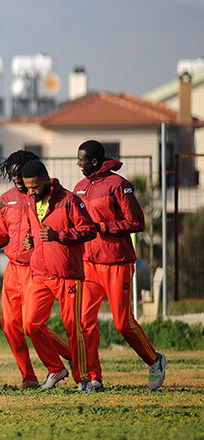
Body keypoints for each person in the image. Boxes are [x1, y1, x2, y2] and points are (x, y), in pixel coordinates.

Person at [0, 150, 73, 389]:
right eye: (12, 173)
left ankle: (66, 359)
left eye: (19, 172)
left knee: (32, 324)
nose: (16, 177)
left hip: (36, 268)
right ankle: (29, 377)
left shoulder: (42, 197)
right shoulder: (6, 199)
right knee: (9, 325)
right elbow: (2, 234)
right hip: (12, 270)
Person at [74, 140, 166, 391]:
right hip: (89, 263)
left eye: (81, 160)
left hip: (117, 261)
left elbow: (137, 222)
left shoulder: (118, 185)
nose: (78, 164)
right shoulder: (79, 188)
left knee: (122, 323)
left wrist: (104, 227)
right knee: (84, 321)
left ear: (94, 161)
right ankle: (94, 378)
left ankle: (154, 360)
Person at [20, 159, 98, 391]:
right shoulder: (29, 201)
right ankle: (55, 368)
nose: (31, 192)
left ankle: (85, 379)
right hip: (40, 273)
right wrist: (30, 240)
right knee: (31, 324)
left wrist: (59, 235)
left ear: (47, 180)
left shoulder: (69, 201)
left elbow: (89, 230)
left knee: (73, 327)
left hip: (67, 274)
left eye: (35, 187)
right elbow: (35, 230)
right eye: (28, 188)